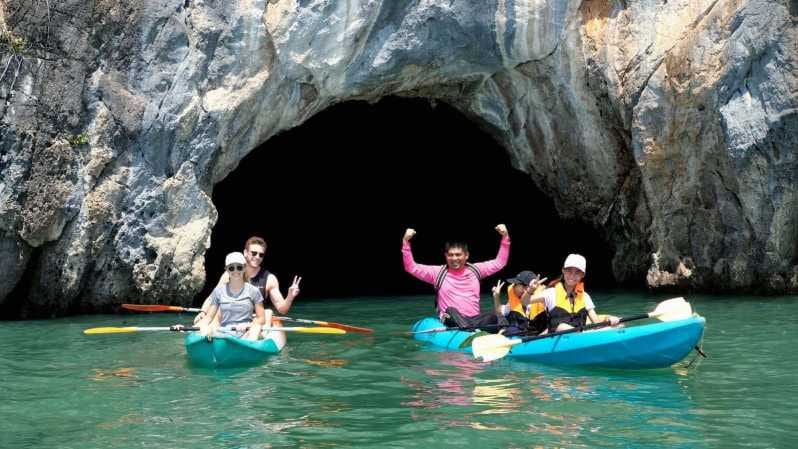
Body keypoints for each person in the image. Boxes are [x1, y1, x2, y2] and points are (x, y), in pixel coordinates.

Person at [402, 224, 510, 329]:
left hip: (474, 320)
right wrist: (406, 242)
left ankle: (503, 333)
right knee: (451, 311)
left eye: (458, 255)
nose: (454, 258)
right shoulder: (437, 273)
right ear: (446, 256)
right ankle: (469, 331)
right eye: (450, 255)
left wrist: (505, 237)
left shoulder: (476, 270)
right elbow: (411, 268)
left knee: (495, 316)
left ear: (466, 255)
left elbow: (500, 262)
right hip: (450, 319)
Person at [194, 236, 301, 325]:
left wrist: (290, 297)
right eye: (254, 253)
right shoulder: (230, 274)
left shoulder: (270, 279)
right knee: (218, 311)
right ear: (245, 253)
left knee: (268, 312)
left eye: (261, 255)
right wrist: (203, 312)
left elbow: (282, 309)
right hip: (233, 316)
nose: (257, 257)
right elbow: (213, 297)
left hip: (257, 319)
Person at [522, 254, 619, 333]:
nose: (572, 275)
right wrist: (530, 290)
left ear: (582, 275)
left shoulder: (585, 296)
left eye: (577, 272)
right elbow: (525, 302)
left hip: (578, 336)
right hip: (556, 338)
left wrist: (609, 321)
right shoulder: (550, 293)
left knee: (618, 323)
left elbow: (596, 323)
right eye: (569, 271)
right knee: (562, 327)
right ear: (563, 271)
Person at [196, 252, 267, 340]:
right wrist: (198, 326)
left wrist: (248, 325)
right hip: (224, 333)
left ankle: (248, 348)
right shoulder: (218, 291)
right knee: (206, 329)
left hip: (246, 333)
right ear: (227, 269)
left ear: (244, 268)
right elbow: (209, 317)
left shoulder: (254, 291)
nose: (235, 271)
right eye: (231, 268)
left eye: (239, 267)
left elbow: (262, 319)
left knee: (256, 328)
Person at [491, 270, 548, 336]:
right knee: (491, 317)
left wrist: (540, 336)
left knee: (508, 331)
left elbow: (553, 323)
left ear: (526, 288)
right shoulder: (516, 298)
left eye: (516, 284)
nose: (513, 286)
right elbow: (500, 311)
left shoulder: (544, 299)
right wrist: (496, 297)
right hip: (522, 331)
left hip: (537, 335)